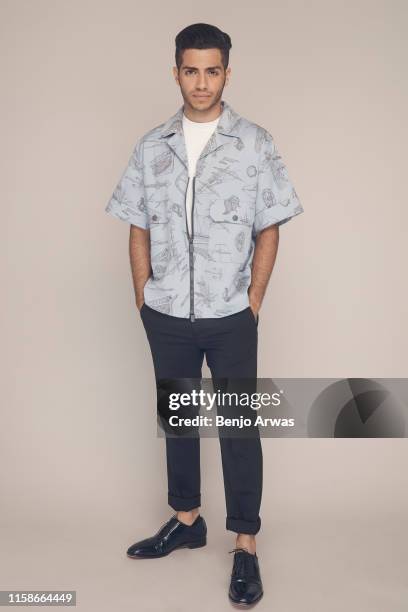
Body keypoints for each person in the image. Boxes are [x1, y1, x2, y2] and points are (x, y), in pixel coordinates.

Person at [105, 22, 304, 607]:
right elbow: (137, 224)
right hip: (166, 312)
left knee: (240, 427)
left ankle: (245, 542)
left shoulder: (255, 142)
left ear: (226, 74)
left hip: (230, 312)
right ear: (176, 73)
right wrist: (143, 295)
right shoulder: (151, 145)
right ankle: (187, 520)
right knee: (179, 418)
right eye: (190, 70)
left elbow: (270, 226)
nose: (200, 82)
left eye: (211, 70)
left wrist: (255, 298)